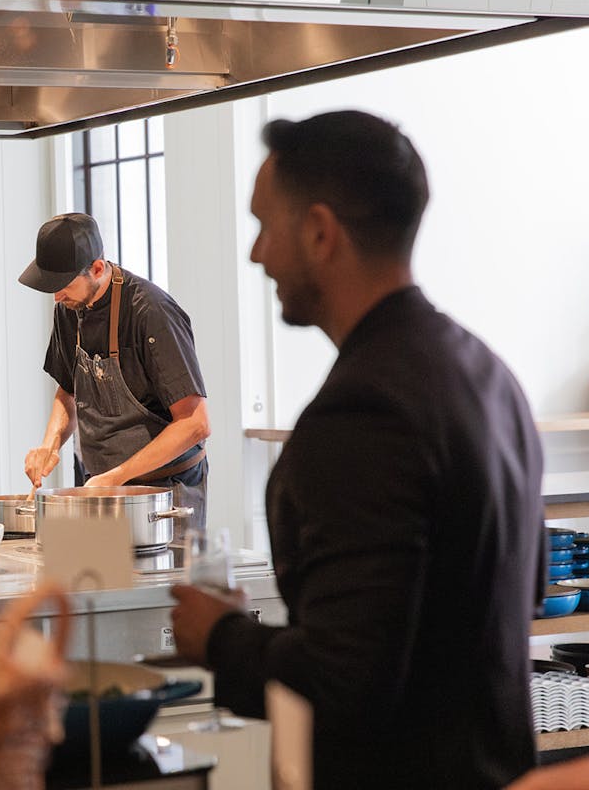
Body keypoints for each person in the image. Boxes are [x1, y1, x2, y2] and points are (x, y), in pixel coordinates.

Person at [169, 111, 546, 789]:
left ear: (319, 232)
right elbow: (524, 589)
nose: (257, 255)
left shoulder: (363, 413)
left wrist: (220, 637)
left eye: (264, 226)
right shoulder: (490, 375)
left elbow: (345, 685)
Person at [19, 212, 211, 533]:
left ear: (97, 268)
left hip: (162, 497)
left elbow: (195, 423)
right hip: (100, 490)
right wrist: (49, 446)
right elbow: (68, 391)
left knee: (158, 583)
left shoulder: (151, 311)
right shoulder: (70, 308)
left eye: (63, 284)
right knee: (97, 580)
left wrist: (117, 477)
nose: (56, 296)